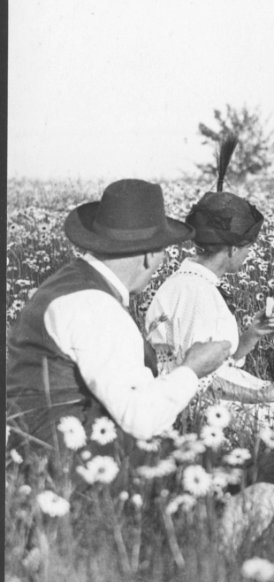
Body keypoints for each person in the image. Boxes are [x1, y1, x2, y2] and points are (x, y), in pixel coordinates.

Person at [6, 179, 231, 451]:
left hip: (34, 441)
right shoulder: (95, 306)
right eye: (163, 251)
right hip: (66, 459)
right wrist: (193, 369)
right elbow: (140, 418)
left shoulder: (70, 283)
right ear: (149, 254)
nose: (163, 262)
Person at [145, 137, 274, 431]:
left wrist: (251, 335)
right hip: (212, 414)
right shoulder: (198, 295)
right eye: (247, 247)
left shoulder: (183, 283)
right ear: (232, 249)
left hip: (214, 398)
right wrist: (262, 395)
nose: (248, 254)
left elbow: (215, 361)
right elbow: (198, 380)